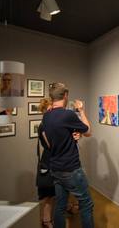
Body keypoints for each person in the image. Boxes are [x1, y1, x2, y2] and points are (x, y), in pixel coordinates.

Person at [40, 83, 93, 228]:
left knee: (60, 206)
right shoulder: (68, 115)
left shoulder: (46, 117)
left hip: (55, 169)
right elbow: (88, 131)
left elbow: (51, 142)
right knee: (86, 204)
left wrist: (73, 136)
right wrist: (81, 111)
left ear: (52, 98)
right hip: (71, 169)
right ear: (65, 96)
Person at [37, 98, 55, 228]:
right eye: (49, 109)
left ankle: (47, 219)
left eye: (52, 109)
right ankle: (45, 220)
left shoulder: (50, 124)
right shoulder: (43, 125)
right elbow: (51, 145)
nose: (52, 111)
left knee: (53, 193)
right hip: (48, 161)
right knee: (47, 194)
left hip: (53, 160)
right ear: (44, 111)